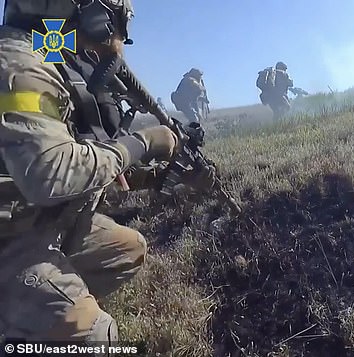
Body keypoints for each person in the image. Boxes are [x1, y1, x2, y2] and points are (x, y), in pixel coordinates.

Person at [0, 0, 210, 349]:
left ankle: (40, 317)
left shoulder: (42, 49)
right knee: (94, 334)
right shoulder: (19, 63)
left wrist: (149, 178)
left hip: (29, 219)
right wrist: (142, 143)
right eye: (108, 22)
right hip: (10, 236)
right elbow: (50, 174)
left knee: (127, 248)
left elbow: (75, 164)